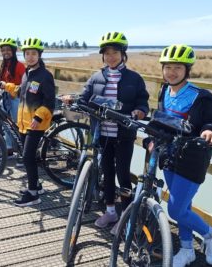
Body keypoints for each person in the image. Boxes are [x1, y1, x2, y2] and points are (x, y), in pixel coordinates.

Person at [63, 31, 149, 233]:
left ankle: (126, 217)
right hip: (102, 134)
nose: (111, 57)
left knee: (123, 175)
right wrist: (72, 99)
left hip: (123, 136)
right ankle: (111, 211)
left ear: (123, 54)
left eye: (115, 52)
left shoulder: (134, 78)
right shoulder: (96, 77)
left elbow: (142, 102)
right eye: (107, 53)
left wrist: (140, 111)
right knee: (107, 173)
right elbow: (84, 98)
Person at [148, 44, 212, 266]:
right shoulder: (164, 90)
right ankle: (187, 248)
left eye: (177, 68)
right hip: (169, 156)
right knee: (185, 206)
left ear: (187, 69)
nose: (172, 72)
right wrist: (153, 138)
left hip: (191, 160)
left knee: (176, 209)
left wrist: (211, 131)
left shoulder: (201, 97)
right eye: (168, 67)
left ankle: (211, 234)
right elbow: (161, 119)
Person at [0, 37, 55, 207]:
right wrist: (5, 85)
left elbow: (49, 102)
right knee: (28, 156)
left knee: (27, 157)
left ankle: (33, 194)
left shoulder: (45, 76)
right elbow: (20, 92)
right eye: (27, 54)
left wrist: (38, 117)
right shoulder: (27, 73)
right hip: (24, 123)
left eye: (34, 53)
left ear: (39, 55)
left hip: (36, 123)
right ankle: (36, 186)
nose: (30, 57)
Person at [0, 38, 26, 158]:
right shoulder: (5, 65)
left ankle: (22, 152)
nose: (5, 52)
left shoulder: (19, 66)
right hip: (5, 98)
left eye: (8, 50)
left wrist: (10, 88)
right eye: (3, 50)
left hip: (16, 99)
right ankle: (9, 148)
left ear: (13, 51)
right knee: (7, 124)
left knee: (17, 125)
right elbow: (0, 82)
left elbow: (25, 85)